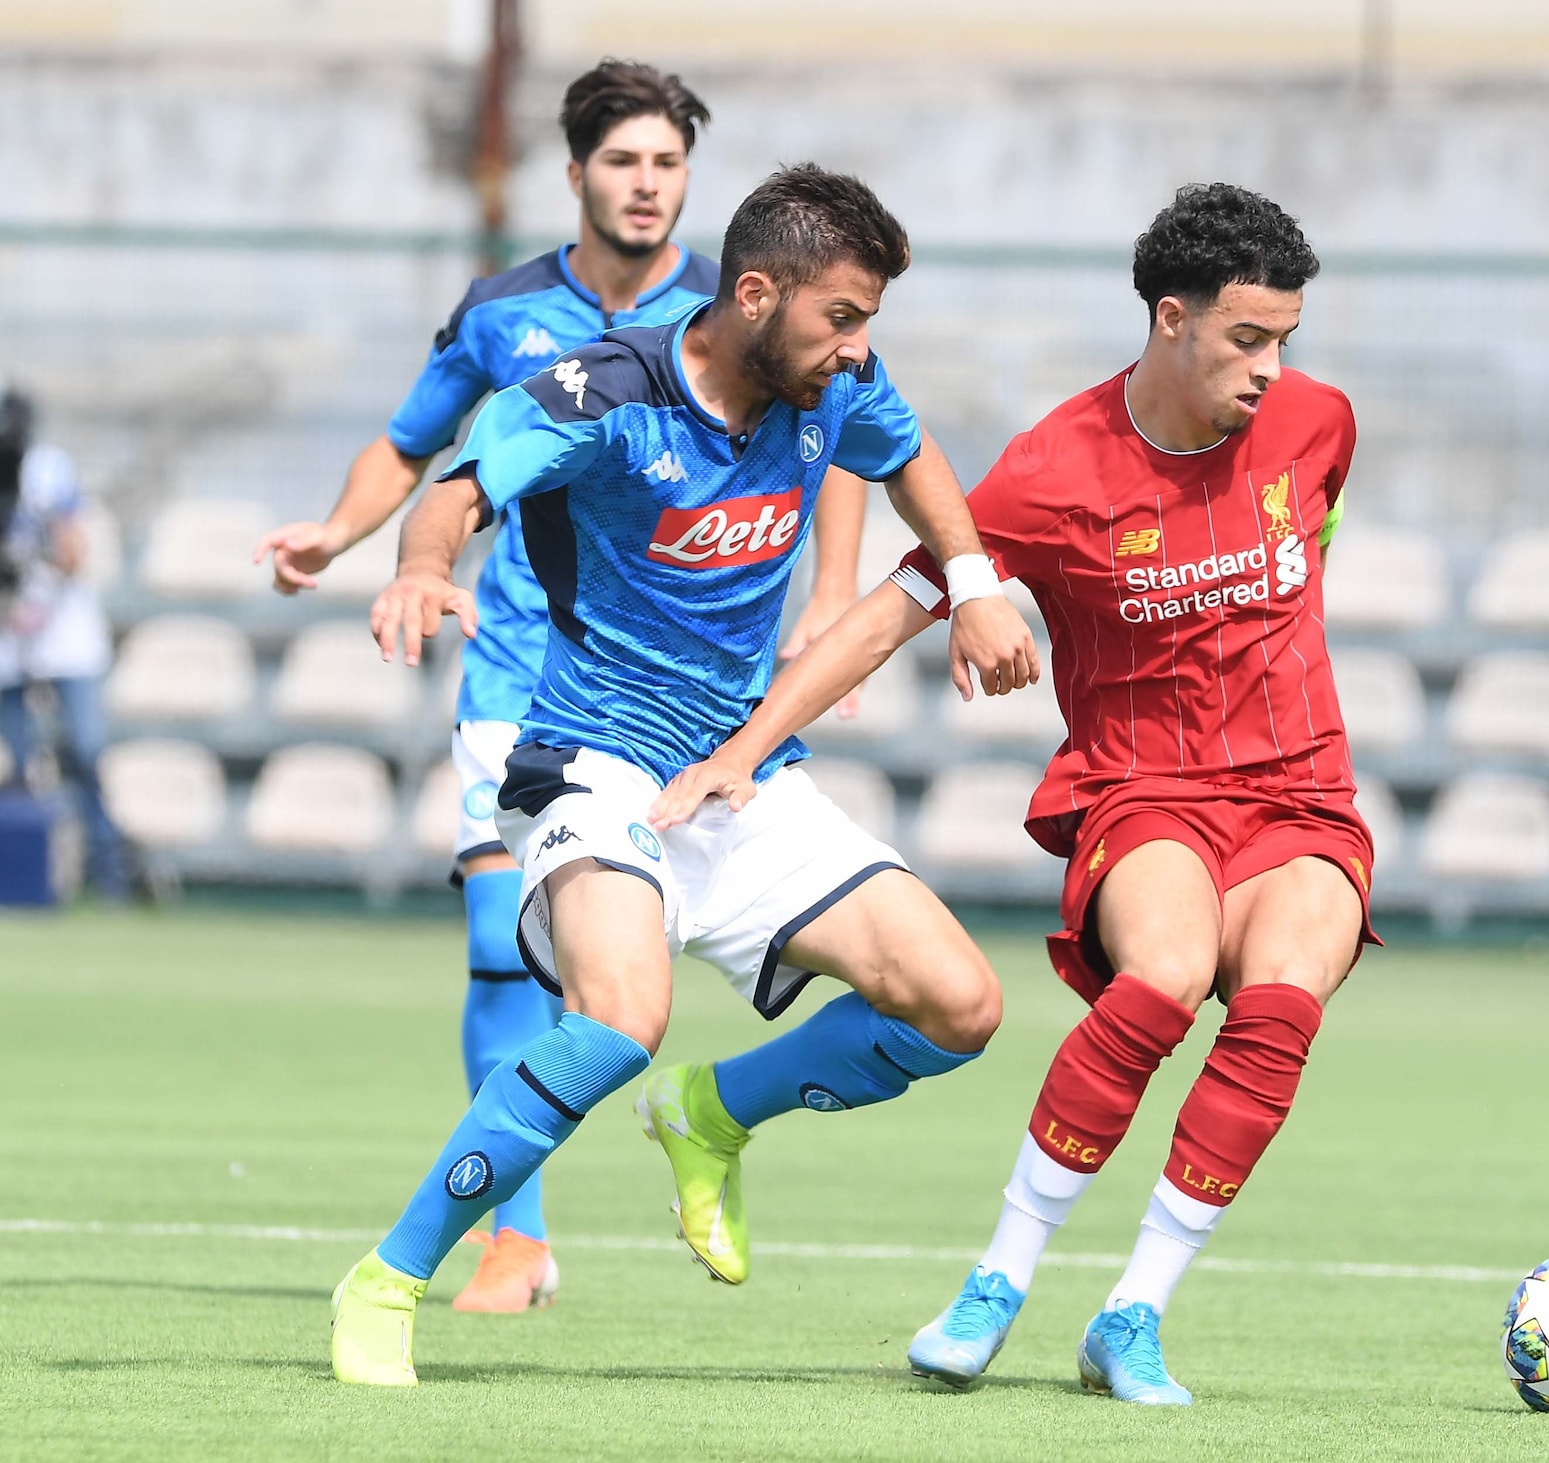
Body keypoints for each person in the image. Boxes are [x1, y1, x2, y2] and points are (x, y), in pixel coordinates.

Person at [652, 183, 1375, 1406]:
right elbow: (896, 605)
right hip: (1146, 789)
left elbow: (1314, 545)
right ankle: (996, 1278)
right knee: (1157, 981)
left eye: (1284, 342)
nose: (1270, 369)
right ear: (1168, 319)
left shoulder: (1319, 424)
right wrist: (746, 744)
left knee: (1280, 1008)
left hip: (1301, 793)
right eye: (1246, 339)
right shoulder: (1055, 469)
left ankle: (1133, 1312)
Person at [328, 163, 1039, 1387]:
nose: (860, 348)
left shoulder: (834, 384)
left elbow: (912, 458)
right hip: (589, 763)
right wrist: (418, 566)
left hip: (741, 772)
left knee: (960, 1004)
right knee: (618, 1018)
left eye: (870, 320)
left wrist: (970, 584)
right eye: (842, 317)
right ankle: (390, 1275)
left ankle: (712, 1113)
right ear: (753, 294)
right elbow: (455, 489)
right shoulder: (603, 391)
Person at [257, 60, 869, 1313]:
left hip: (677, 693)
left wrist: (830, 596)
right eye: (624, 161)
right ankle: (514, 1238)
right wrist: (337, 536)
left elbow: (854, 433)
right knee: (498, 949)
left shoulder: (750, 312)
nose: (647, 185)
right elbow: (416, 443)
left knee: (608, 994)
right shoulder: (505, 310)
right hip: (513, 666)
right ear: (576, 172)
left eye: (667, 163)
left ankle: (652, 1134)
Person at [0, 387, 128, 900]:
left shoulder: (48, 472)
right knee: (22, 758)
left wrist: (38, 551)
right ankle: (35, 880)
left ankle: (109, 873)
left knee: (85, 751)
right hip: (9, 641)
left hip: (64, 634)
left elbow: (74, 554)